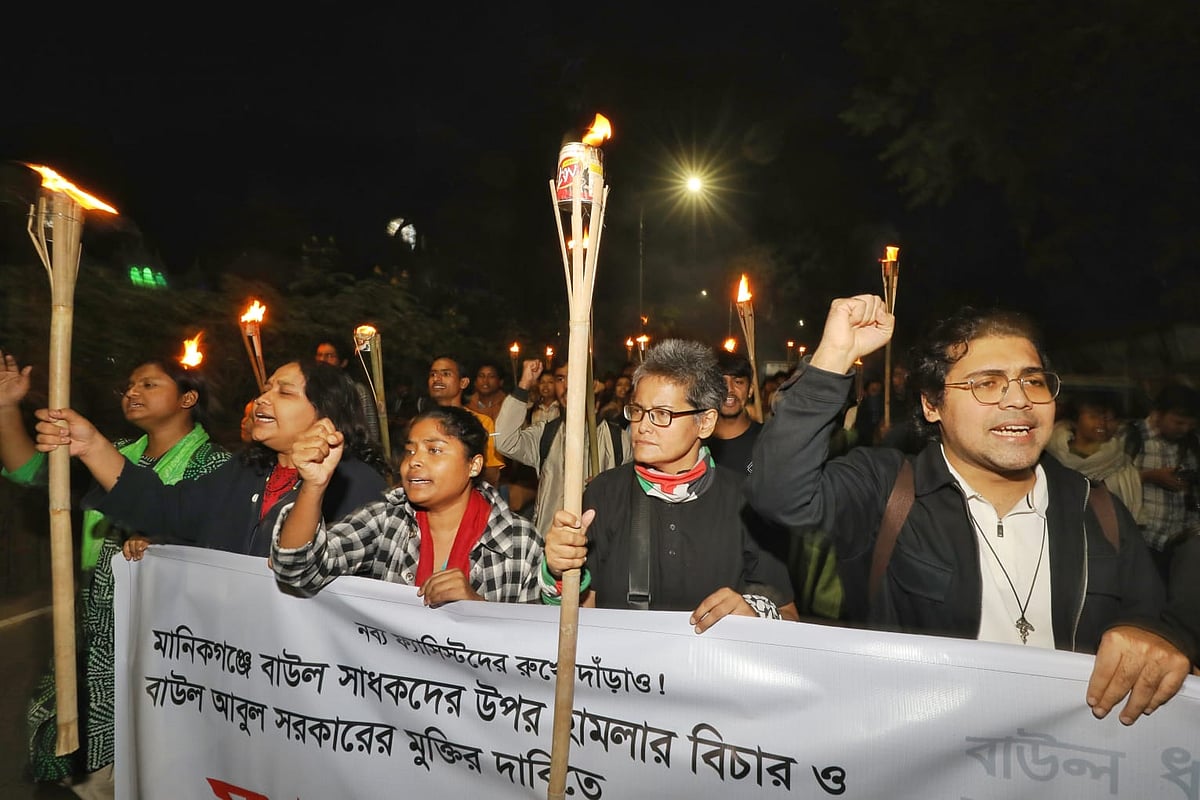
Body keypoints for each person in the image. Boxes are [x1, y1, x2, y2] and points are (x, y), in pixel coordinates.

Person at [744, 295, 1194, 725]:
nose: (1018, 399)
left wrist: (1153, 639)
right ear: (931, 403)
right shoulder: (889, 491)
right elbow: (779, 493)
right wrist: (833, 356)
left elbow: (1151, 622)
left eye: (1033, 380)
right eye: (987, 382)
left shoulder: (1099, 510)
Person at [2, 350, 229, 796]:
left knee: (146, 758)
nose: (132, 392)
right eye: (129, 385)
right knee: (69, 751)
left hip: (163, 634)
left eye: (149, 383)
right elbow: (30, 470)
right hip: (92, 625)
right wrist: (7, 407)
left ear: (187, 399)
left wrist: (169, 549)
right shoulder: (111, 454)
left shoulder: (216, 467)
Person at [541, 339, 797, 632]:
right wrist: (559, 572)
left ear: (705, 422)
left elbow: (789, 617)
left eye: (662, 414)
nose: (642, 426)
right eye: (637, 410)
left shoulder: (749, 504)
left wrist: (753, 617)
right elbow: (580, 621)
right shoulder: (604, 493)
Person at [34, 360, 388, 559]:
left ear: (325, 412)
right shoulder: (242, 472)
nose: (264, 399)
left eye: (284, 392)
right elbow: (165, 508)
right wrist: (92, 446)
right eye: (266, 388)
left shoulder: (357, 484)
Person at [272, 406, 543, 603]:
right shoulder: (387, 520)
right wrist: (314, 485)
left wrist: (476, 610)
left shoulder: (519, 541)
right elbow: (296, 570)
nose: (414, 461)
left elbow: (531, 646)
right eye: (410, 450)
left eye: (434, 450)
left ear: (473, 465)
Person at [494, 359, 630, 538]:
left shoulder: (618, 439)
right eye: (560, 379)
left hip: (601, 548)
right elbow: (505, 441)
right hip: (550, 545)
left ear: (594, 384)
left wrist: (609, 485)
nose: (567, 385)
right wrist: (524, 384)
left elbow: (632, 493)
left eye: (575, 376)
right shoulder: (546, 434)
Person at [1130, 384, 1200, 580]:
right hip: (1141, 544)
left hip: (1180, 546)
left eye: (1189, 424)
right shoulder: (1131, 437)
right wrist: (1150, 476)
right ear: (1158, 414)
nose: (1184, 429)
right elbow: (1105, 481)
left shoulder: (1192, 443)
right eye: (1178, 423)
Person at [1045, 391, 1142, 516]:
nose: (1103, 423)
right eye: (1094, 416)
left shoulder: (1121, 463)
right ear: (1075, 420)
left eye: (1110, 418)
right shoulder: (1051, 454)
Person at [427, 355, 504, 488]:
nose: (436, 379)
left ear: (463, 383)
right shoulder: (422, 424)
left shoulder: (481, 422)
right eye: (433, 374)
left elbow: (492, 473)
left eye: (445, 374)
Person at [315, 340, 383, 447]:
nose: (322, 360)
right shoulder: (311, 389)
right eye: (319, 355)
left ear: (343, 362)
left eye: (329, 356)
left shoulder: (357, 391)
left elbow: (371, 432)